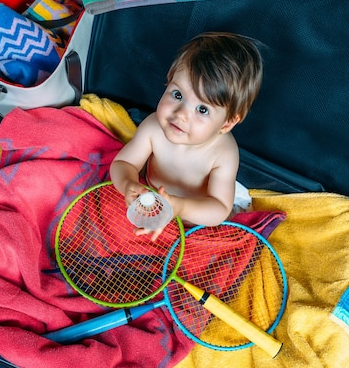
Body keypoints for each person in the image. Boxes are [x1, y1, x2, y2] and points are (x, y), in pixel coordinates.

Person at [110, 32, 263, 239]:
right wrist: (128, 183)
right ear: (168, 81)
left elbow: (218, 209)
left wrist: (180, 207)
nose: (181, 115)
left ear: (227, 123)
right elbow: (123, 163)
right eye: (177, 95)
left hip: (197, 217)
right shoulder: (153, 127)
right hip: (151, 199)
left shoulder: (223, 153)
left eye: (202, 110)